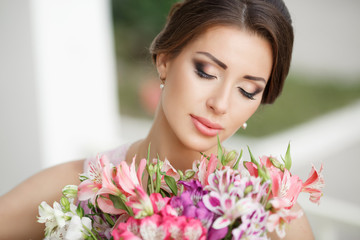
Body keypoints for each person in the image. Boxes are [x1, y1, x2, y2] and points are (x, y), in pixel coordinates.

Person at [0, 0, 315, 239]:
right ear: (165, 60)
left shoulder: (271, 212)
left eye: (247, 91)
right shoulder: (75, 188)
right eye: (206, 72)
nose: (220, 104)